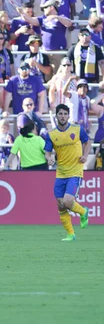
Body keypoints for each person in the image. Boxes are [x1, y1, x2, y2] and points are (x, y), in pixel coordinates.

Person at [44, 104, 90, 241]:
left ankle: (83, 211)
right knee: (60, 204)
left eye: (65, 114)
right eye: (60, 114)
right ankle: (71, 234)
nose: (63, 116)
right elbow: (47, 152)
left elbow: (87, 142)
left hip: (75, 171)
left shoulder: (77, 129)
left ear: (68, 116)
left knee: (68, 201)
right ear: (57, 116)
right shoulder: (52, 134)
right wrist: (49, 158)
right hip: (61, 173)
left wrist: (85, 156)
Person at [66, 27, 104, 96]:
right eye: (82, 35)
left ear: (90, 36)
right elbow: (65, 62)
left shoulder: (96, 48)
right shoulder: (73, 48)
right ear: (79, 36)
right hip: (77, 81)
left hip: (92, 81)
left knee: (91, 103)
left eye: (86, 34)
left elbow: (102, 64)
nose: (84, 36)